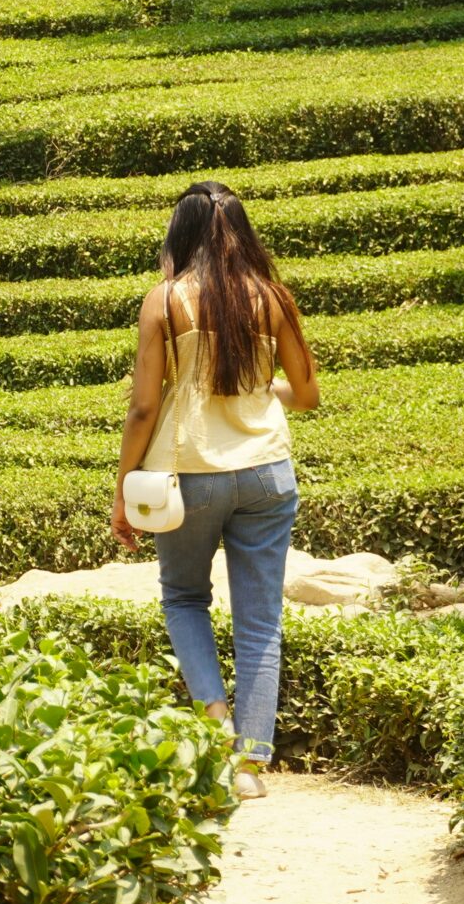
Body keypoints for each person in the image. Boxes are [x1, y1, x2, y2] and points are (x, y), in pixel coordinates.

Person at [114, 180, 320, 800]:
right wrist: (260, 388)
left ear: (180, 236)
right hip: (266, 473)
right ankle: (251, 765)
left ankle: (216, 725)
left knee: (183, 599)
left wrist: (122, 490)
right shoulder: (274, 298)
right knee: (261, 619)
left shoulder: (165, 300)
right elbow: (306, 395)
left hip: (190, 475)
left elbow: (144, 408)